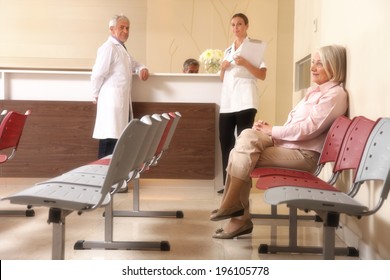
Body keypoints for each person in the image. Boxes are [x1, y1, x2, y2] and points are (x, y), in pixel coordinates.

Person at [210, 44, 348, 239]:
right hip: (289, 146)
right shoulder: (315, 91)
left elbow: (308, 129)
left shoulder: (334, 95)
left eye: (320, 64)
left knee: (240, 153)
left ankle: (237, 215)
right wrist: (271, 131)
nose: (313, 67)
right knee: (247, 136)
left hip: (304, 155)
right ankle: (233, 210)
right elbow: (299, 125)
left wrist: (272, 131)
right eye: (313, 62)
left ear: (334, 66)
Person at [218, 13, 267, 194]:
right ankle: (227, 184)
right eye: (233, 24)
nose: (236, 27)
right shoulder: (227, 51)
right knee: (225, 140)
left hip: (246, 100)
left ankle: (243, 183)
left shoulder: (254, 47)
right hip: (228, 102)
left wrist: (245, 63)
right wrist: (222, 69)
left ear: (246, 26)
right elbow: (223, 79)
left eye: (239, 24)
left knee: (244, 144)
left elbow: (262, 74)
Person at [91, 14, 149, 159]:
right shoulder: (108, 48)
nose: (125, 31)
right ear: (111, 29)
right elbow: (98, 73)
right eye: (121, 27)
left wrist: (142, 68)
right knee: (108, 141)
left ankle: (112, 180)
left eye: (127, 28)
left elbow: (134, 63)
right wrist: (94, 93)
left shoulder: (121, 49)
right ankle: (103, 180)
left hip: (119, 104)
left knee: (116, 143)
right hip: (111, 103)